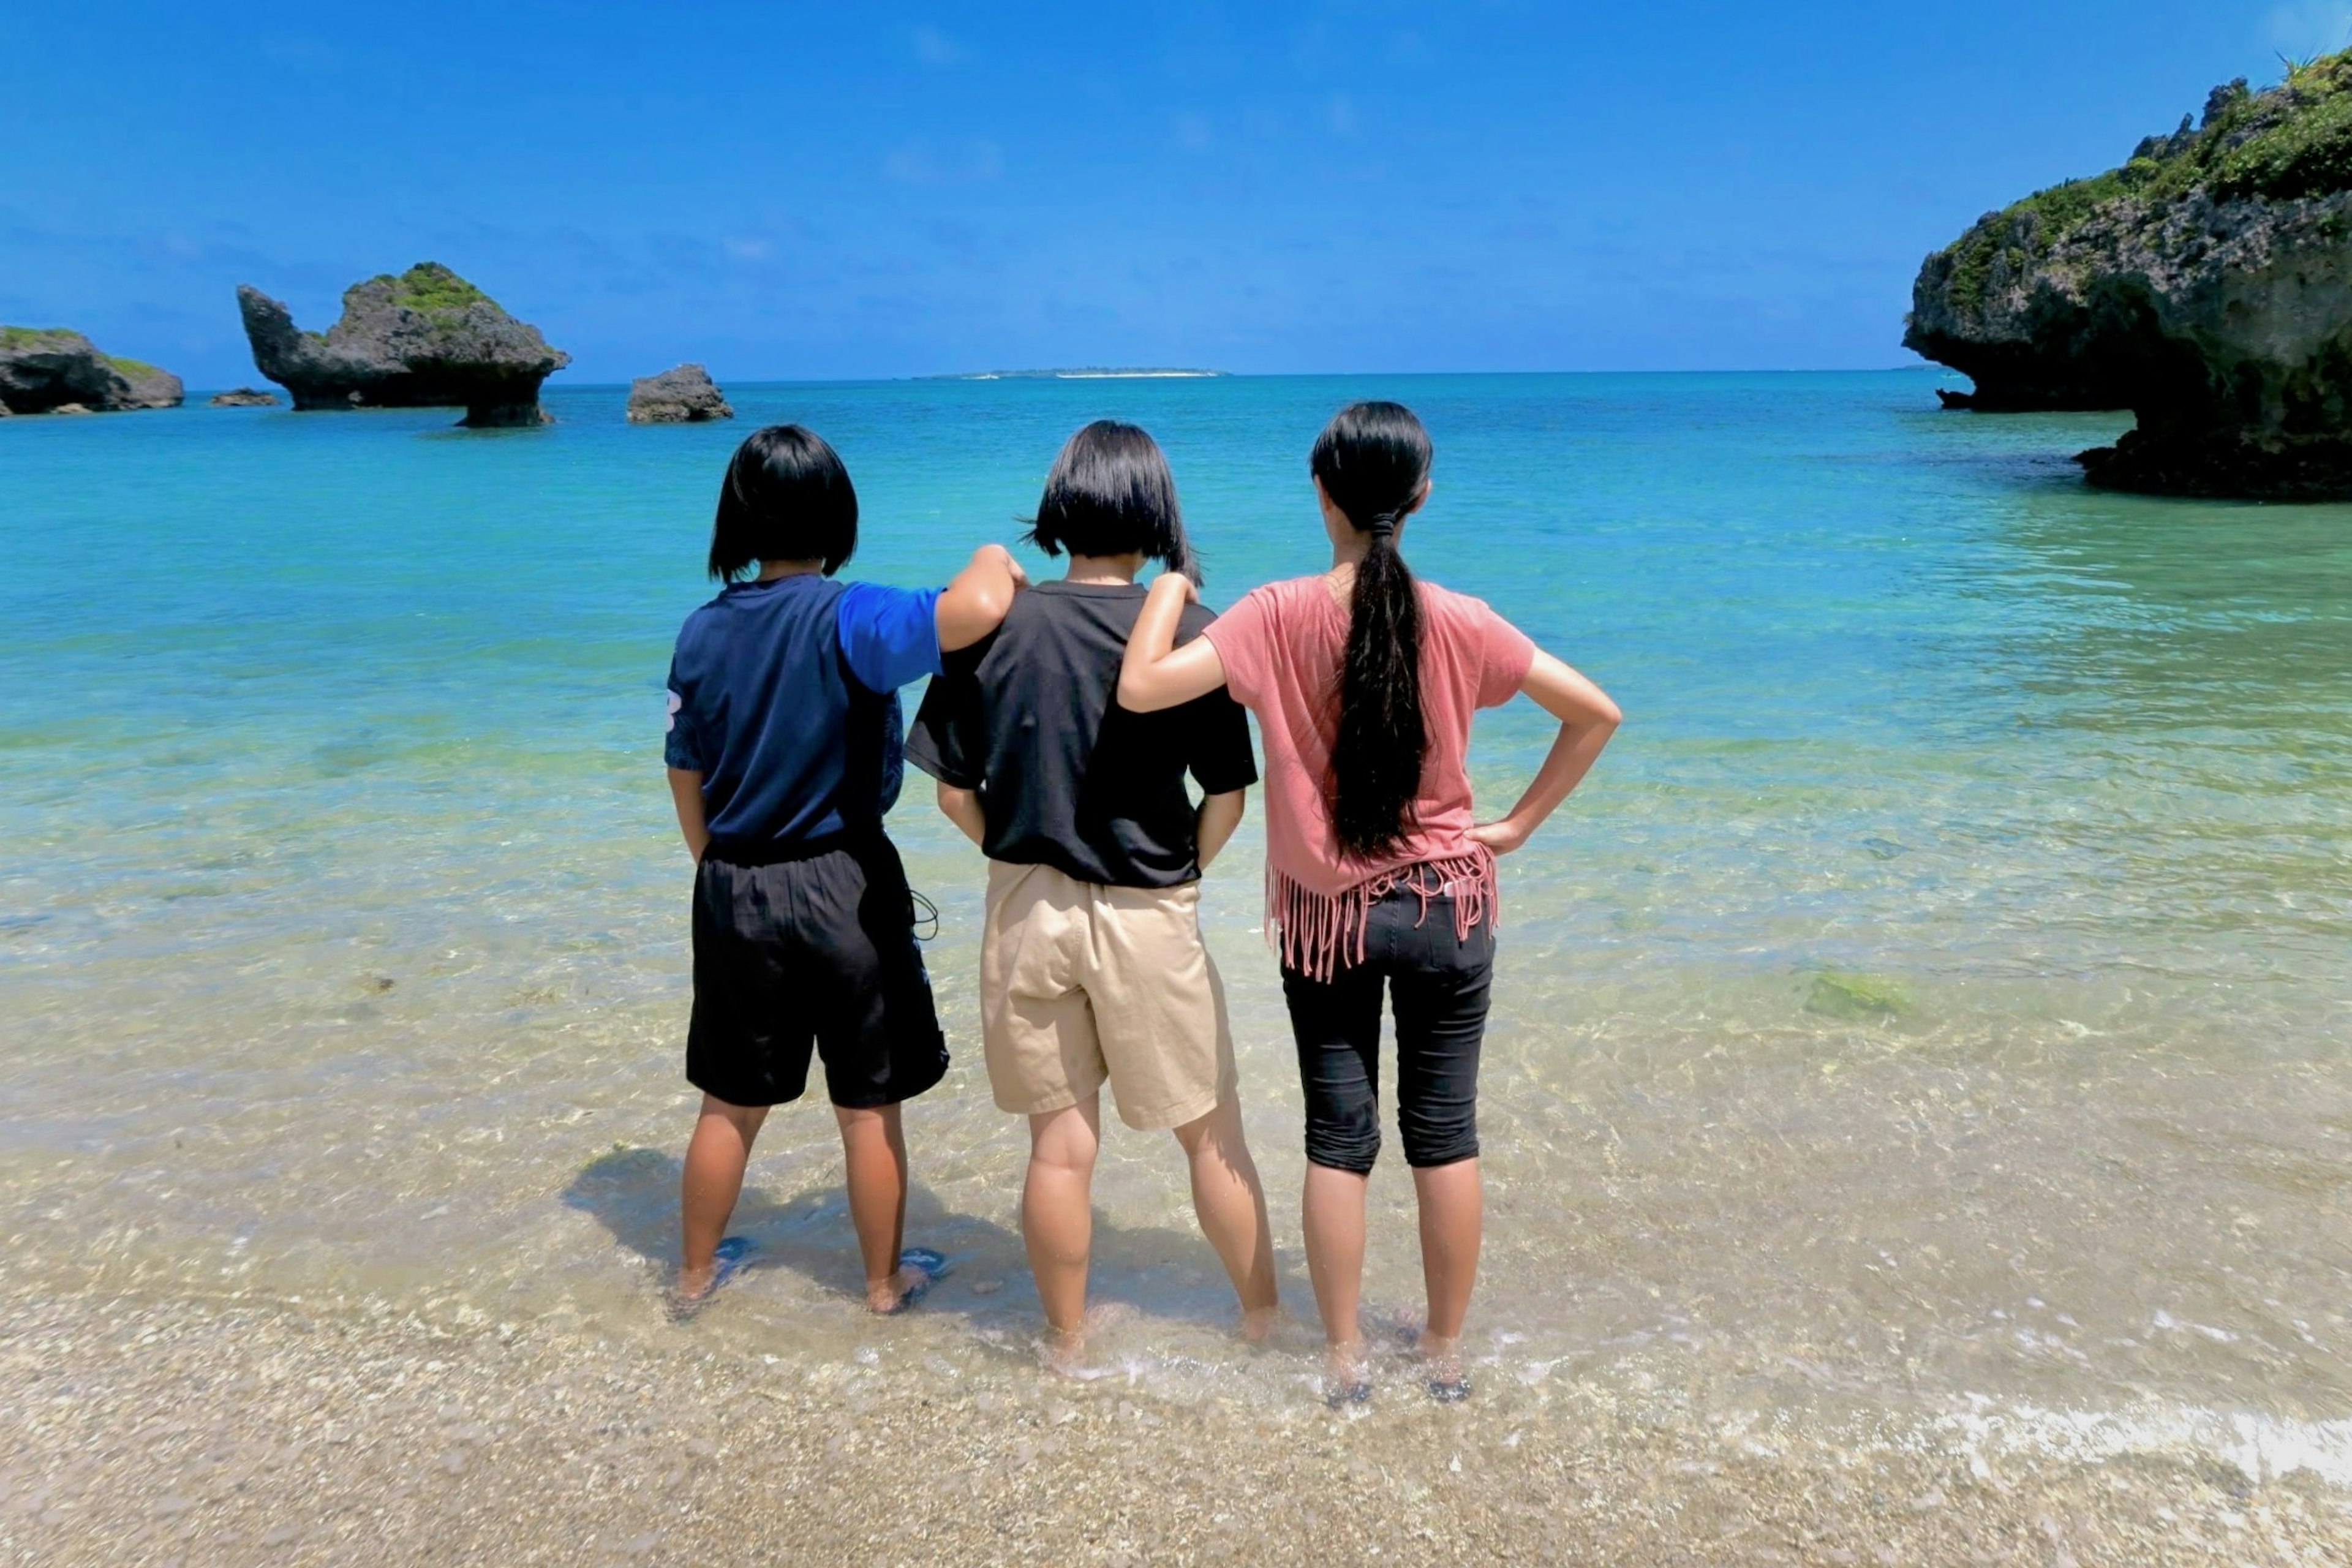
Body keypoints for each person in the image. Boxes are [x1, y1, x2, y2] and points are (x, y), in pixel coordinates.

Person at [1117, 401, 1620, 1402]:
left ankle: (1344, 1357)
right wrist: (1515, 827)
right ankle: (1442, 1353)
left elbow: (1141, 690)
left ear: (1322, 494)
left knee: (1336, 1139)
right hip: (1450, 909)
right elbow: (1596, 713)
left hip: (1328, 923)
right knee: (1446, 1134)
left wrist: (1170, 587)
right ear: (1422, 497)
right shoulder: (1464, 619)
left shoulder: (1270, 614)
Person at [905, 420, 1279, 1363]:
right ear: (1155, 516)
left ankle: (1065, 1343)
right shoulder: (1192, 632)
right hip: (1147, 907)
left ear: (1059, 510)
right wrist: (1182, 872)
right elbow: (1228, 798)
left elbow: (953, 789)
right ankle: (1264, 1324)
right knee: (1211, 1138)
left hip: (1027, 903)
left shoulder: (992, 626)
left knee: (1060, 1148)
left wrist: (1021, 850)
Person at [663, 423, 1025, 1316]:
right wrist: (993, 550)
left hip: (735, 882)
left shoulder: (702, 632)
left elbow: (684, 769)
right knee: (867, 1109)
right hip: (841, 885)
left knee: (729, 1103)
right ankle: (880, 1284)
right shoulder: (853, 616)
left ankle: (695, 1277)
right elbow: (978, 607)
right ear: (838, 516)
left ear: (738, 520)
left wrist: (718, 866)